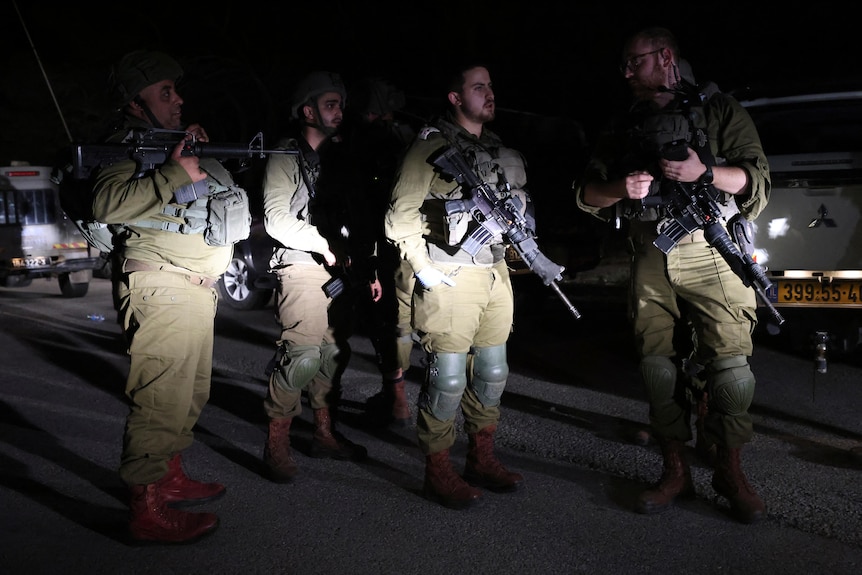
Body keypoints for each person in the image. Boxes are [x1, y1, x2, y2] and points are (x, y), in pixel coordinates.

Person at [575, 27, 771, 524]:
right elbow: (587, 195)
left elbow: (757, 182)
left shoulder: (721, 110)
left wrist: (704, 174)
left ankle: (729, 470)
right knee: (657, 368)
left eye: (633, 61)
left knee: (730, 372)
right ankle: (674, 469)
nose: (626, 72)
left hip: (712, 251)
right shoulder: (623, 123)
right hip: (650, 254)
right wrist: (620, 186)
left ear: (664, 57)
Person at [91, 50, 248, 543]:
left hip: (193, 288)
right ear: (136, 104)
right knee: (159, 398)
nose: (177, 99)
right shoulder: (125, 146)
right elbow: (106, 202)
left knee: (188, 394)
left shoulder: (166, 146)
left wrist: (188, 156)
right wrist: (176, 171)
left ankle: (169, 478)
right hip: (160, 285)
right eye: (165, 92)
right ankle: (145, 508)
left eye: (176, 90)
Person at [384, 62, 527, 509]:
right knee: (447, 379)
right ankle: (438, 470)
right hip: (450, 275)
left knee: (493, 371)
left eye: (490, 85)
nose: (489, 93)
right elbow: (399, 216)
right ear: (454, 97)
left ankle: (481, 458)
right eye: (478, 86)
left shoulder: (498, 149)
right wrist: (425, 271)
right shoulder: (430, 144)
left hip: (495, 273)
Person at [260, 70, 375, 483]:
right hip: (302, 264)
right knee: (301, 356)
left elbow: (354, 217)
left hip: (337, 270)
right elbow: (276, 219)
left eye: (340, 104)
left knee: (331, 354)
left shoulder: (339, 158)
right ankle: (277, 442)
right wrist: (323, 244)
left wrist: (365, 265)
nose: (338, 111)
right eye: (329, 104)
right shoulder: (286, 154)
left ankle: (324, 434)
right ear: (307, 110)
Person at [345, 77, 418, 428]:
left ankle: (398, 399)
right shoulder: (409, 137)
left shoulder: (371, 141)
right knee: (401, 323)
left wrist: (367, 262)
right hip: (411, 246)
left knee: (387, 322)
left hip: (384, 246)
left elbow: (363, 205)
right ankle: (401, 398)